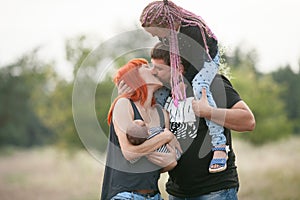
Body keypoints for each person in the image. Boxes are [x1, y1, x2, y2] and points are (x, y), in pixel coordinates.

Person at [147, 42, 256, 199]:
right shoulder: (165, 93)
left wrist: (209, 112)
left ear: (179, 68)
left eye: (159, 68)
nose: (153, 72)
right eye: (152, 66)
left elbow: (248, 121)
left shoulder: (211, 84)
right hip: (176, 192)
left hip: (214, 191)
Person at [140, 0, 229, 173]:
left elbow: (196, 63)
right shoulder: (166, 32)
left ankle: (219, 145)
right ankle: (165, 141)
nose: (153, 36)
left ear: (164, 24)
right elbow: (171, 56)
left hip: (205, 61)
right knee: (162, 90)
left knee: (198, 85)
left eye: (153, 32)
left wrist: (181, 82)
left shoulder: (193, 30)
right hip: (184, 64)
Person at [101, 58, 181, 200]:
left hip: (154, 195)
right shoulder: (124, 104)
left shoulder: (162, 114)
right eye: (146, 66)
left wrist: (171, 162)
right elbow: (130, 153)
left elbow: (161, 159)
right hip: (125, 195)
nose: (153, 69)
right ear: (135, 77)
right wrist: (165, 136)